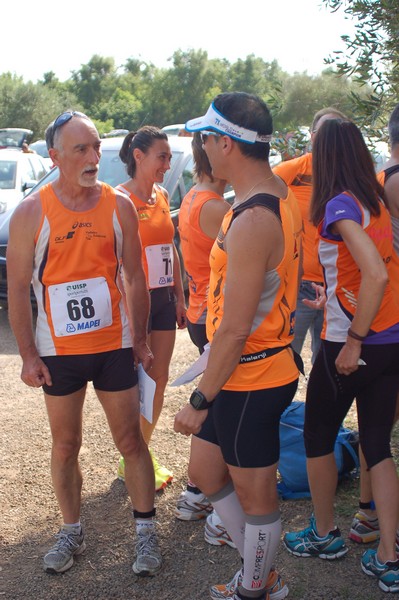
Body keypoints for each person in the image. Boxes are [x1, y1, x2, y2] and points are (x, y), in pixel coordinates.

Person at [6, 111, 162, 576]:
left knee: (131, 439)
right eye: (81, 149)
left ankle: (146, 532)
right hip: (57, 350)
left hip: (113, 345)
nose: (94, 157)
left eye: (96, 147)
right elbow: (17, 288)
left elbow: (135, 277)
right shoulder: (31, 212)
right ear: (54, 157)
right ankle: (71, 529)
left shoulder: (118, 206)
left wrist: (139, 339)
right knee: (64, 444)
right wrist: (28, 355)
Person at [174, 92, 302, 600]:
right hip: (236, 368)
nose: (201, 147)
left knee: (255, 493)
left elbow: (234, 329)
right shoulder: (259, 197)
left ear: (225, 144)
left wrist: (200, 398)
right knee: (206, 472)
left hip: (253, 374)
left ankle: (258, 586)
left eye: (205, 138)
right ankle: (260, 567)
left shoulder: (254, 218)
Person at [283, 118, 399, 595]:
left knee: (317, 436)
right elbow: (364, 271)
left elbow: (375, 274)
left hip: (351, 344)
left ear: (325, 155)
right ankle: (390, 556)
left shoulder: (339, 204)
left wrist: (352, 338)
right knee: (378, 444)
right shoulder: (376, 200)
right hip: (390, 340)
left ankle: (325, 533)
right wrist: (332, 297)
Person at [116, 126, 186, 492]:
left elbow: (169, 246)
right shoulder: (117, 199)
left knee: (158, 378)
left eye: (170, 157)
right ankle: (132, 453)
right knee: (132, 383)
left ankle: (143, 450)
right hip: (133, 304)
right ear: (138, 156)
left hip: (164, 302)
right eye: (162, 156)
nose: (167, 164)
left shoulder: (161, 195)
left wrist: (180, 294)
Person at [175, 132, 233, 543]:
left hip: (200, 310)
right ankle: (213, 499)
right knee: (223, 403)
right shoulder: (216, 207)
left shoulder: (192, 197)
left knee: (217, 397)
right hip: (213, 315)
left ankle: (198, 493)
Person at [347, 103, 399, 548]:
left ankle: (369, 514)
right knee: (380, 428)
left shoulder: (379, 183)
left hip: (387, 319)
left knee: (378, 428)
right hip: (391, 318)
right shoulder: (391, 182)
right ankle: (373, 519)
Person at [273, 107, 347, 364]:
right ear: (313, 137)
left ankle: (318, 406)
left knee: (326, 365)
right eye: (326, 132)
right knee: (284, 358)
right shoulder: (290, 172)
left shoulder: (351, 179)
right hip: (298, 286)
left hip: (339, 287)